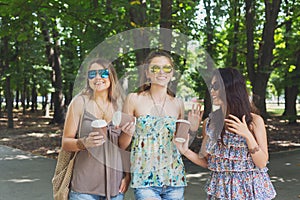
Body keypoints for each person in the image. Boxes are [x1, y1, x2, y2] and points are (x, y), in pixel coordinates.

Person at [175, 67, 276, 199]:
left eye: (216, 86)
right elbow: (209, 162)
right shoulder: (210, 123)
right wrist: (185, 150)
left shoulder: (254, 121)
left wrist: (247, 135)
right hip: (221, 190)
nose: (211, 91)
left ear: (231, 88)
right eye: (211, 86)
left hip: (250, 190)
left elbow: (262, 163)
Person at [119, 50, 203, 200]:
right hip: (145, 179)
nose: (161, 72)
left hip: (174, 178)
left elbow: (180, 142)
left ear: (172, 73)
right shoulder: (133, 99)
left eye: (167, 68)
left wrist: (193, 128)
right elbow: (122, 145)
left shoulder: (177, 103)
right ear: (147, 73)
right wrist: (129, 133)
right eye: (155, 68)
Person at [61, 58, 130, 200]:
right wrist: (84, 142)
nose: (98, 77)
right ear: (88, 79)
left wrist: (127, 175)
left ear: (111, 76)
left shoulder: (121, 104)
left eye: (103, 73)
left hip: (115, 187)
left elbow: (122, 146)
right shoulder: (79, 102)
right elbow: (66, 142)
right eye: (92, 74)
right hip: (84, 187)